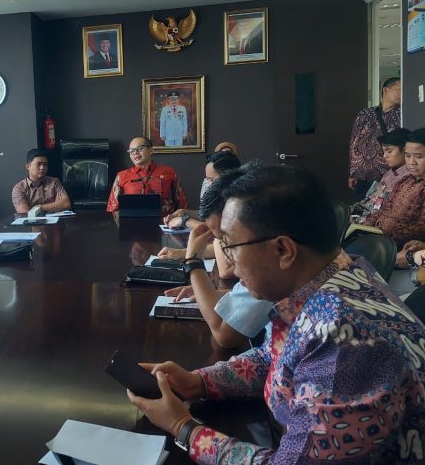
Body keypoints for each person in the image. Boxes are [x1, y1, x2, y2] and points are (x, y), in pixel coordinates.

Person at [127, 164, 425, 463]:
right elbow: (277, 357)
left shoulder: (345, 344)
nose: (228, 261)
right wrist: (200, 382)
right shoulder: (338, 275)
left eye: (230, 245)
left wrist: (184, 427)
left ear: (283, 250)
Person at [164, 165, 273, 349]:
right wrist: (217, 293)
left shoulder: (267, 268)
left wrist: (193, 263)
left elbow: (225, 336)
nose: (233, 265)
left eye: (228, 242)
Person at [365, 127, 425, 268]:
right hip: (380, 241)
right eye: (408, 156)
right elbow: (384, 210)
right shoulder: (404, 181)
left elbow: (420, 228)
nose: (412, 162)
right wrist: (365, 227)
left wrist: (385, 233)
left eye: (418, 156)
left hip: (402, 249)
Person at [348, 77, 402, 201]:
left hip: (388, 174)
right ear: (386, 90)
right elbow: (354, 143)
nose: (402, 94)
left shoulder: (403, 115)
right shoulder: (365, 114)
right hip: (362, 175)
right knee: (360, 208)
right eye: (399, 90)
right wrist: (353, 172)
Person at [107, 136, 186, 217]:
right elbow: (113, 208)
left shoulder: (169, 172)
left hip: (166, 222)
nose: (135, 153)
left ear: (151, 150)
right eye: (131, 151)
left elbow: (181, 204)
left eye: (139, 148)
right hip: (132, 222)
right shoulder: (122, 176)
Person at [164, 150, 241, 230]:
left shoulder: (239, 200)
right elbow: (208, 214)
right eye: (207, 179)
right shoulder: (221, 194)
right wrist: (183, 212)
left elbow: (217, 231)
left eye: (212, 180)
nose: (208, 184)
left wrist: (184, 220)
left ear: (229, 177)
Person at [352, 127, 410, 223]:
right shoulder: (388, 174)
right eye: (384, 152)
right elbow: (373, 201)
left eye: (389, 151)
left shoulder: (410, 178)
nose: (384, 156)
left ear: (405, 150)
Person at [11, 149, 71, 214]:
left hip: (55, 220)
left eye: (45, 164)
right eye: (38, 164)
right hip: (32, 221)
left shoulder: (54, 182)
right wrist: (54, 205)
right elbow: (24, 213)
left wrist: (39, 207)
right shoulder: (19, 188)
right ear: (28, 166)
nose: (42, 167)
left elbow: (66, 204)